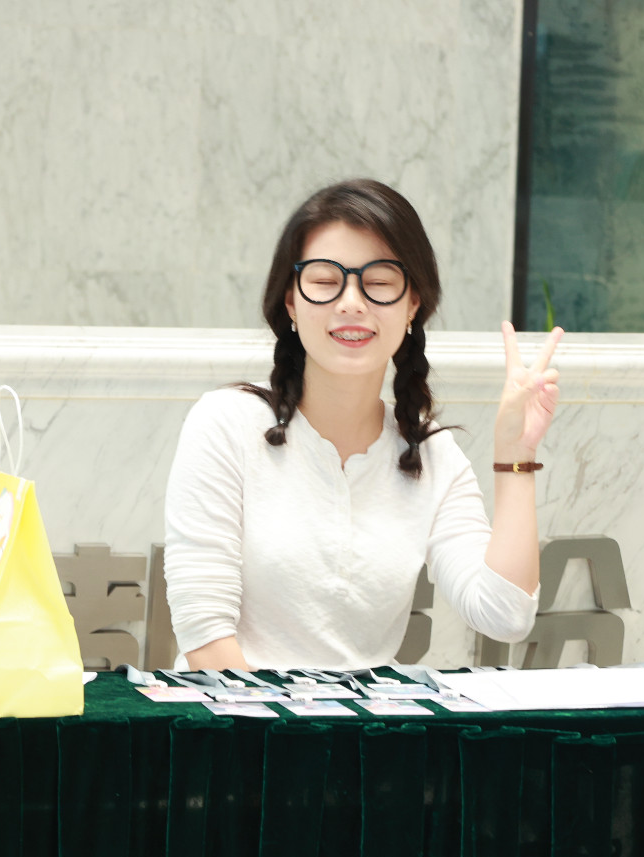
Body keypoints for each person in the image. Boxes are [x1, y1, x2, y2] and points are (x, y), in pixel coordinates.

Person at [163, 179, 562, 670]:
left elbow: (504, 615)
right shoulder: (226, 424)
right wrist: (283, 720)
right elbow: (205, 636)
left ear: (413, 303)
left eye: (379, 282)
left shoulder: (430, 455)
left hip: (366, 718)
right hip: (233, 713)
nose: (351, 302)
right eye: (324, 281)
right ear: (290, 301)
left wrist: (516, 458)